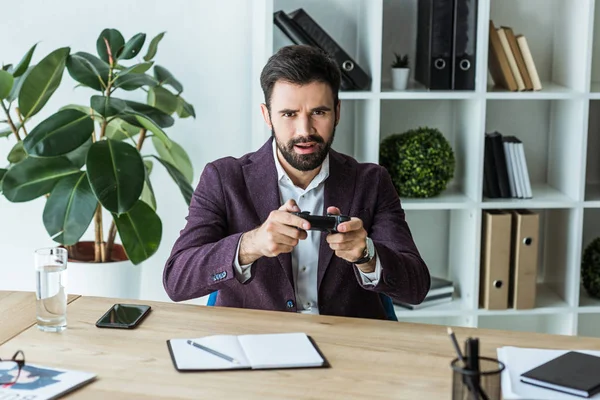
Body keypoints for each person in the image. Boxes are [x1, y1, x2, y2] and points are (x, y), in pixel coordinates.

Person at [163, 44, 430, 320]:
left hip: (348, 346)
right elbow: (176, 280)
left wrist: (367, 255)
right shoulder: (224, 178)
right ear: (267, 116)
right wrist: (251, 244)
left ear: (337, 112)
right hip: (257, 345)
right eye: (289, 114)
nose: (305, 130)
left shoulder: (372, 181)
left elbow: (417, 287)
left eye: (319, 113)